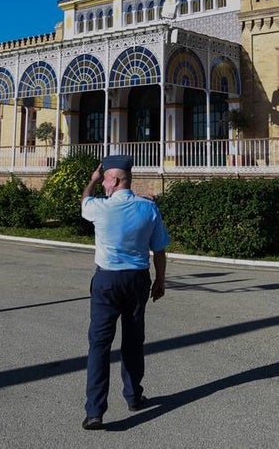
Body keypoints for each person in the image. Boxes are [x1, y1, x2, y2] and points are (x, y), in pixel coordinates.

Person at [80, 154, 169, 430]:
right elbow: (159, 250)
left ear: (116, 180)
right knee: (133, 340)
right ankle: (133, 396)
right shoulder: (148, 208)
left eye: (106, 180)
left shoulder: (99, 208)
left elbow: (84, 200)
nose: (103, 183)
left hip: (107, 282)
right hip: (137, 281)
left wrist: (91, 180)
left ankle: (95, 411)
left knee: (99, 345)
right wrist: (160, 280)